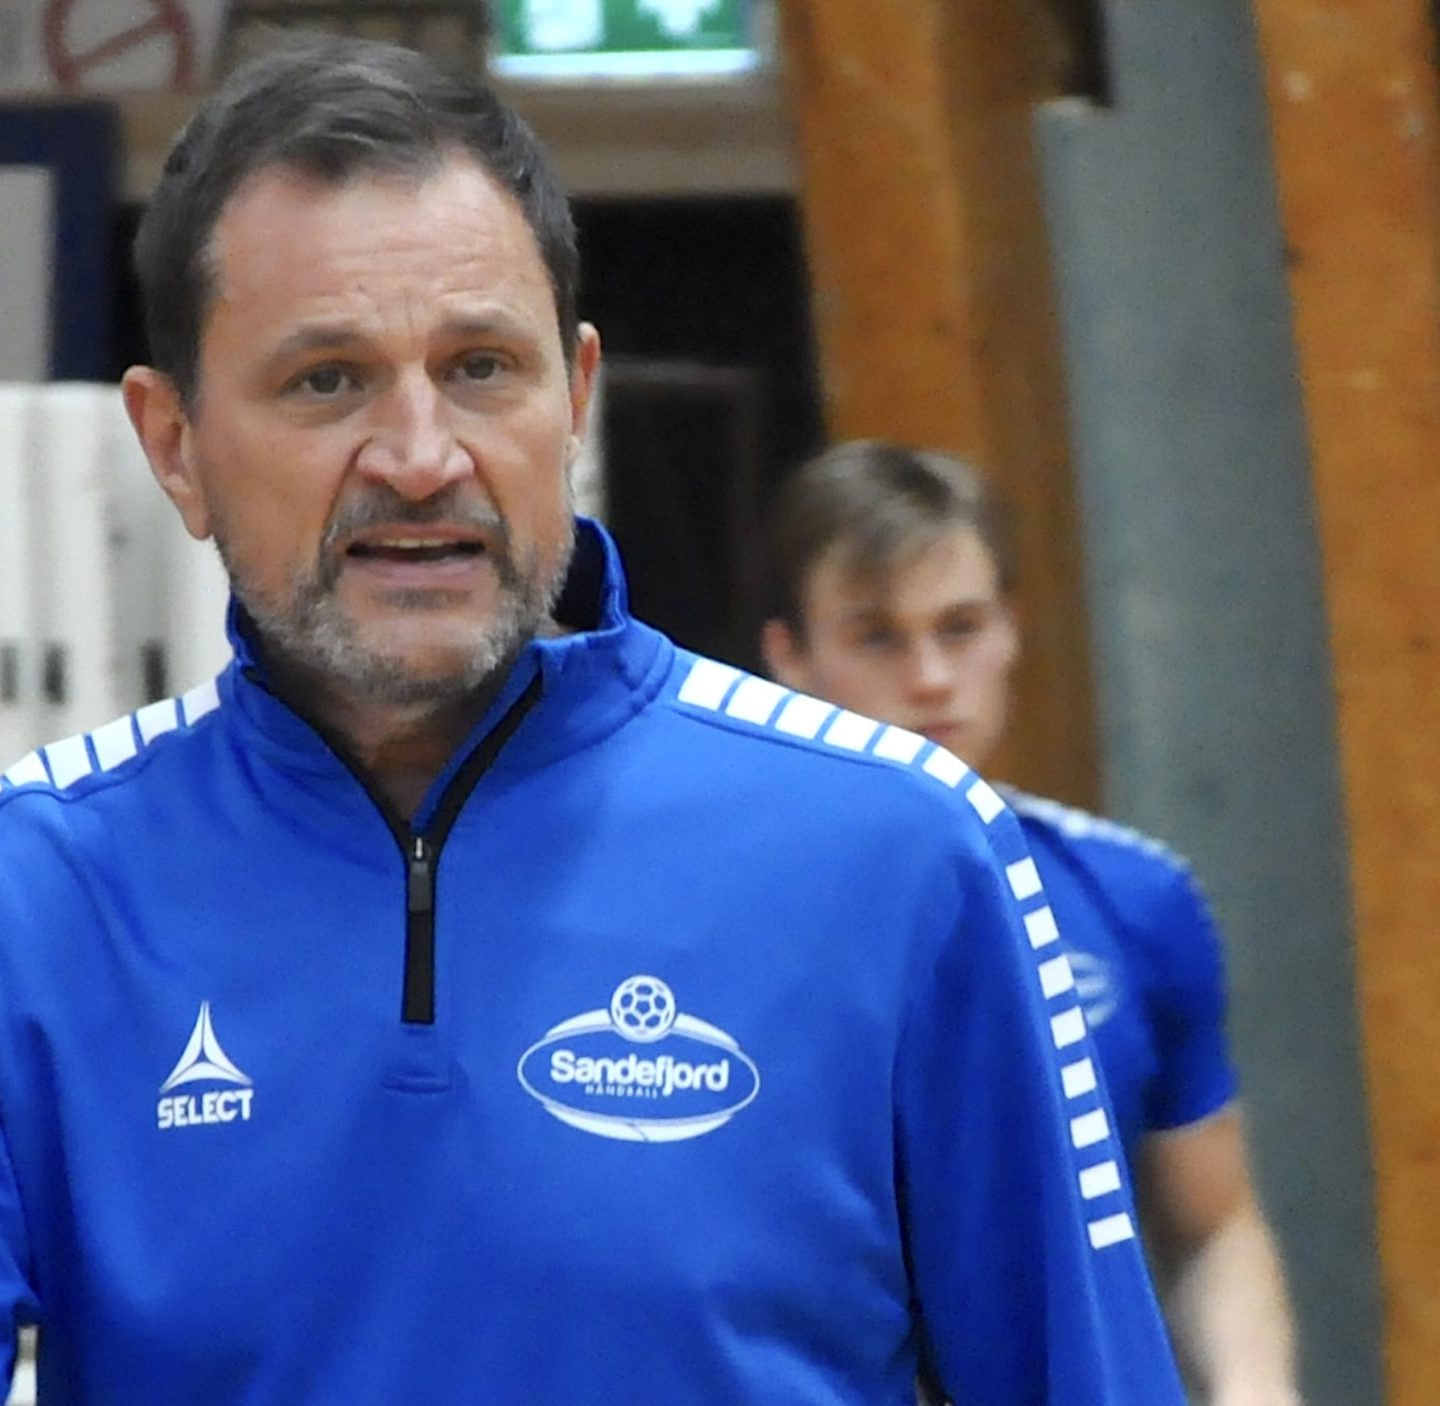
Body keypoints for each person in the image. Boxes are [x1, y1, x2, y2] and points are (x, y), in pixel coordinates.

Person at [0, 38, 1185, 1404]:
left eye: (481, 366)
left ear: (573, 397)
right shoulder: (41, 892)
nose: (422, 456)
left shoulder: (905, 851)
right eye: (326, 379)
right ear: (174, 445)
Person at [761, 440, 1303, 1406]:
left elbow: (1213, 1223)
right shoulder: (722, 911)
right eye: (878, 637)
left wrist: (1254, 1391)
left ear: (1011, 630)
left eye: (962, 627)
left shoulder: (1136, 894)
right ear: (788, 658)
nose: (933, 676)